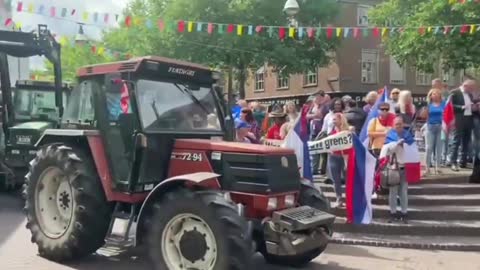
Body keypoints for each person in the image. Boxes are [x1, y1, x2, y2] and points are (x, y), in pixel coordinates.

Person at [382, 116, 412, 223]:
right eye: (396, 124)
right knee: (393, 192)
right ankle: (393, 213)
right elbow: (386, 151)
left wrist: (406, 144)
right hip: (394, 168)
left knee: (403, 192)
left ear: (403, 124)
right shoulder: (390, 135)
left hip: (404, 167)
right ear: (393, 125)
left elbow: (412, 148)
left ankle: (404, 213)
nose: (398, 126)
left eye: (400, 124)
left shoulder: (407, 134)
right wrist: (396, 144)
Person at [449, 79, 477, 171]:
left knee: (466, 141)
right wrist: (461, 107)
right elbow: (450, 106)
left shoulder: (469, 94)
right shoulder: (455, 93)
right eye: (471, 88)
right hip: (459, 119)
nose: (472, 90)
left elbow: (470, 105)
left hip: (468, 119)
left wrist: (474, 107)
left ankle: (463, 161)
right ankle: (453, 162)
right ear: (465, 86)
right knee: (456, 141)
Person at [327, 113, 351, 207]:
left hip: (345, 157)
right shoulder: (332, 132)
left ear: (341, 120)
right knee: (335, 179)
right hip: (333, 156)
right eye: (332, 119)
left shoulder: (347, 131)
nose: (333, 121)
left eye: (335, 119)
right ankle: (339, 199)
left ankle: (349, 199)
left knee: (347, 179)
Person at [422, 88, 446, 175]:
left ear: (440, 95)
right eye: (432, 94)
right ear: (430, 96)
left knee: (439, 148)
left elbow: (447, 114)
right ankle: (427, 167)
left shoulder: (444, 104)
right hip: (430, 127)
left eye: (436, 93)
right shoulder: (428, 104)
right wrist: (424, 111)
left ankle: (438, 167)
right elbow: (423, 116)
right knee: (429, 147)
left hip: (440, 127)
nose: (434, 95)